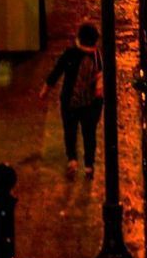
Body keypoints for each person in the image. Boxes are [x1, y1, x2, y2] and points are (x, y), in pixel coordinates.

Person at [39, 23, 103, 177]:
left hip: (70, 102)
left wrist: (45, 90)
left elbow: (57, 71)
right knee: (89, 134)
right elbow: (101, 79)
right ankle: (89, 165)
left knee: (70, 131)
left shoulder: (71, 54)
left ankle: (72, 160)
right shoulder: (97, 57)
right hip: (91, 104)